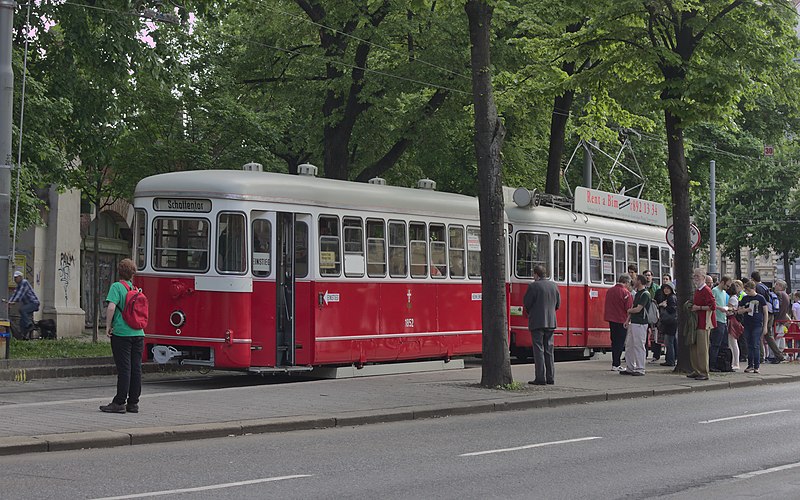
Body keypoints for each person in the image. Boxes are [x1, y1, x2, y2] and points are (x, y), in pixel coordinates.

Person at [100, 259, 145, 414]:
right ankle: (133, 403)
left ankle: (119, 402)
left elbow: (112, 307)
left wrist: (107, 326)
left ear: (119, 271)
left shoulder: (117, 287)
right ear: (132, 273)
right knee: (136, 368)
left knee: (124, 368)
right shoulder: (136, 289)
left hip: (122, 334)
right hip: (139, 333)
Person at [524, 265, 561, 385]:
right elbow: (558, 305)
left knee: (538, 350)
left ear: (536, 274)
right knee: (549, 350)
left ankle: (540, 377)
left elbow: (527, 304)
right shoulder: (554, 286)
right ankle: (551, 377)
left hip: (537, 322)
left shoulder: (533, 286)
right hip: (551, 322)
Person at [687, 269, 716, 381]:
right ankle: (696, 370)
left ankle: (704, 372)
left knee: (702, 349)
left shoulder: (706, 290)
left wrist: (698, 308)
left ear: (703, 277)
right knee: (694, 347)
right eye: (694, 276)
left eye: (698, 276)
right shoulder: (698, 290)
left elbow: (712, 306)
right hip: (696, 322)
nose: (696, 278)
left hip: (704, 323)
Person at [737, 280, 768, 374]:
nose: (747, 293)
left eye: (749, 291)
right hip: (747, 324)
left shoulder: (760, 298)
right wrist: (746, 310)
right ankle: (750, 364)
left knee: (755, 344)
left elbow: (765, 312)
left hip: (757, 324)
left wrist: (765, 325)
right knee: (749, 344)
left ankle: (756, 365)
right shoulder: (745, 298)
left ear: (753, 289)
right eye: (746, 291)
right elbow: (739, 311)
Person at [621, 274, 650, 376]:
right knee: (629, 345)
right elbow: (634, 308)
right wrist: (627, 320)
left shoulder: (645, 294)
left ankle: (640, 368)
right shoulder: (638, 293)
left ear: (640, 281)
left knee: (639, 345)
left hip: (641, 323)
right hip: (634, 322)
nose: (633, 281)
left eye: (635, 279)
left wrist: (629, 310)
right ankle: (630, 367)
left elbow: (638, 309)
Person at [604, 274, 633, 371]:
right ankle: (616, 364)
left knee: (614, 341)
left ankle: (614, 363)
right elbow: (629, 309)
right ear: (627, 282)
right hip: (621, 320)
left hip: (611, 319)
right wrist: (628, 320)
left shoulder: (610, 291)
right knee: (620, 343)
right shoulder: (626, 293)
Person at [8, 270, 40, 340]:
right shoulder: (19, 285)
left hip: (34, 303)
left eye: (16, 278)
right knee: (22, 322)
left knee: (22, 310)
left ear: (20, 277)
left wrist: (14, 302)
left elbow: (20, 294)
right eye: (14, 278)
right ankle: (24, 337)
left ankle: (29, 324)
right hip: (29, 304)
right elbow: (15, 294)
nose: (15, 279)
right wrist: (9, 302)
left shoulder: (24, 282)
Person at [709, 276, 731, 372]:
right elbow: (712, 305)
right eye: (727, 285)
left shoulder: (724, 293)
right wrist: (720, 308)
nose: (728, 288)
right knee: (716, 344)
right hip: (717, 319)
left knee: (724, 344)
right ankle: (712, 364)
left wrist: (727, 309)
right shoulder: (715, 291)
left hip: (723, 319)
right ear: (722, 282)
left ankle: (722, 364)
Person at [657, 282, 678, 367]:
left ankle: (670, 360)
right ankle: (672, 358)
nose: (666, 290)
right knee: (672, 342)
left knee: (669, 342)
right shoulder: (669, 297)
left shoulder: (671, 298)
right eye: (665, 288)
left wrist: (664, 306)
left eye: (668, 288)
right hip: (671, 322)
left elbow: (672, 310)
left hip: (670, 322)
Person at [643, 270, 662, 362]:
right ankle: (644, 353)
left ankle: (656, 354)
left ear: (652, 277)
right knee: (644, 334)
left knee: (655, 335)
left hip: (654, 312)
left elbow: (659, 299)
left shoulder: (656, 288)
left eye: (649, 275)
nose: (647, 277)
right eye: (646, 275)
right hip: (645, 313)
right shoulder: (642, 287)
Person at [727, 280, 744, 371]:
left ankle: (735, 362)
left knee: (733, 342)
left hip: (731, 320)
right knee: (732, 342)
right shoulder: (735, 297)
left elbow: (729, 310)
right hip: (733, 320)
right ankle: (734, 362)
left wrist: (727, 308)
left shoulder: (732, 298)